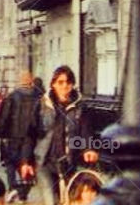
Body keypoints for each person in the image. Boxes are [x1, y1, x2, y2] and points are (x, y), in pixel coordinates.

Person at [25, 66, 98, 205]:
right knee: (51, 200)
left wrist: (88, 149)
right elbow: (31, 133)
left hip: (70, 162)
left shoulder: (80, 107)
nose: (65, 85)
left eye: (68, 82)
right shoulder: (42, 105)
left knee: (69, 200)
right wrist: (26, 161)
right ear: (53, 84)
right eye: (60, 82)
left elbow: (86, 132)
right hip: (45, 162)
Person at [0, 71, 40, 201]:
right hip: (31, 137)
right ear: (31, 81)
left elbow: (5, 118)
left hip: (13, 136)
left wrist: (2, 134)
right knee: (27, 164)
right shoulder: (39, 96)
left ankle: (12, 188)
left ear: (20, 80)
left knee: (10, 163)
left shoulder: (12, 96)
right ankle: (23, 193)